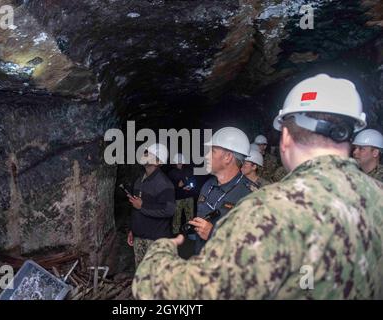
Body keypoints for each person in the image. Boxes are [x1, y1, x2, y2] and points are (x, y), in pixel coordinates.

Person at [132, 74, 383, 299]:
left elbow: (185, 291)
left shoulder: (265, 209)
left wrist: (160, 250)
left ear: (285, 138)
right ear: (348, 135)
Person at [187, 127, 252, 254]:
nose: (206, 156)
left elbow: (254, 247)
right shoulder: (208, 185)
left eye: (212, 151)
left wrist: (214, 234)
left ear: (228, 157)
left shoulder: (250, 195)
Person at [127, 143, 176, 267]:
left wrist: (142, 206)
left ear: (158, 161)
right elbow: (135, 208)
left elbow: (169, 210)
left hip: (155, 240)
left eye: (149, 153)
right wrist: (132, 230)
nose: (145, 155)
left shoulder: (165, 184)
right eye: (145, 152)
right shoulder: (139, 180)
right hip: (139, 237)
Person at [167, 153, 195, 234]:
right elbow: (168, 186)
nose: (180, 164)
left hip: (189, 196)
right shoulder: (171, 173)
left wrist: (191, 186)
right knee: (176, 217)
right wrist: (177, 185)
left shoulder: (188, 170)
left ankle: (190, 231)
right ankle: (175, 232)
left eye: (181, 162)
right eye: (178, 162)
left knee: (190, 216)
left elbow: (193, 181)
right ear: (175, 162)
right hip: (178, 198)